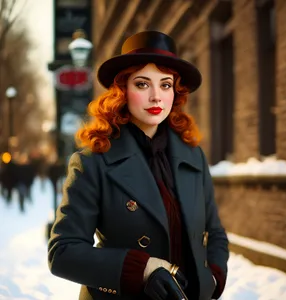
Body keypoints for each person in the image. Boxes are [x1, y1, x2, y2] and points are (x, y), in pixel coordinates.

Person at [48, 31, 229, 300]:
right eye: (143, 84)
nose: (156, 96)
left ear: (175, 92)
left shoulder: (193, 157)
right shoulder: (92, 162)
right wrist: (143, 269)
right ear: (122, 91)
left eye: (165, 85)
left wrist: (213, 276)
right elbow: (63, 252)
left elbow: (214, 232)